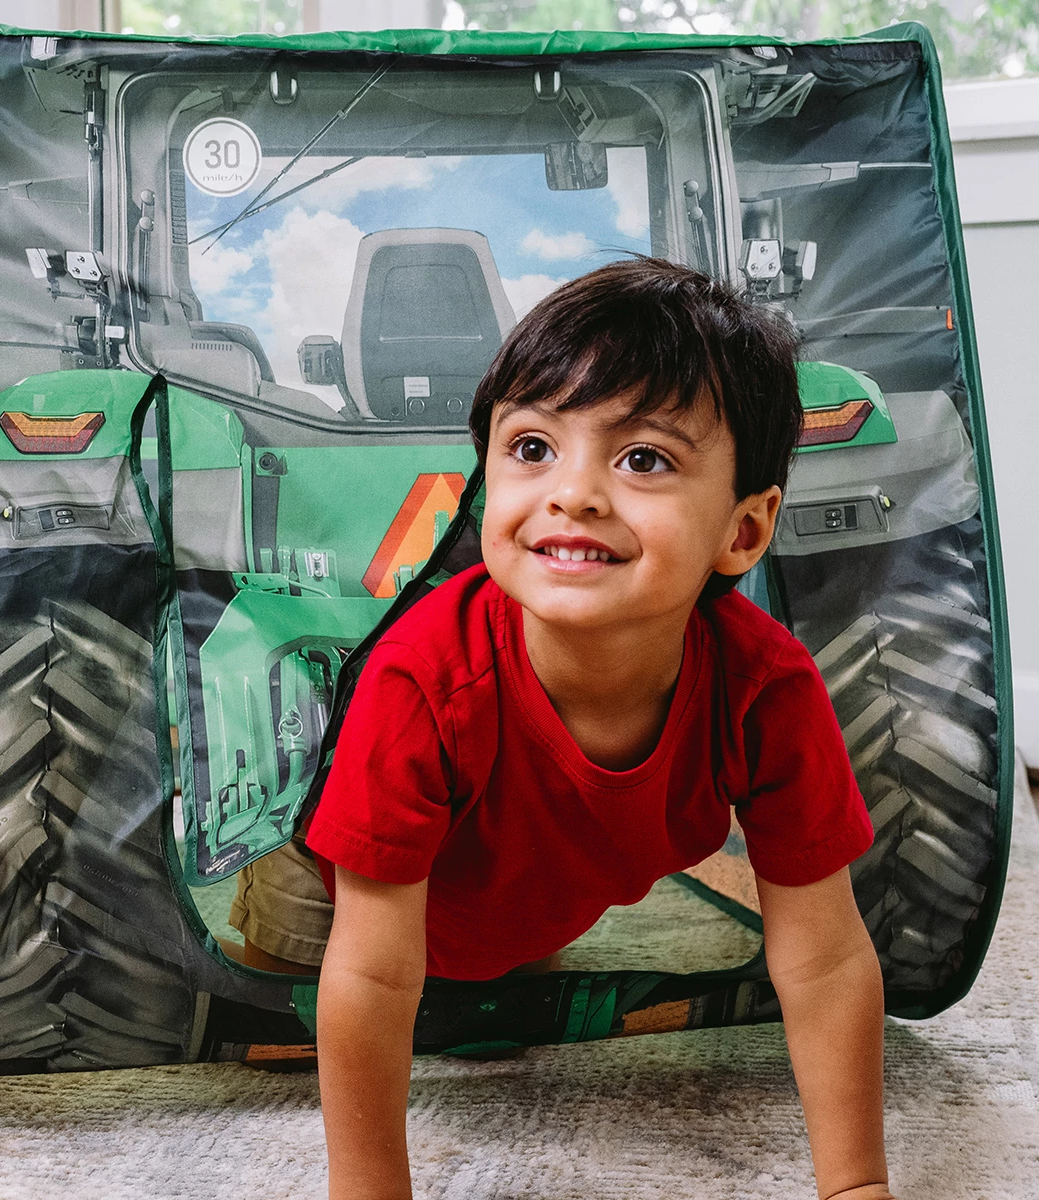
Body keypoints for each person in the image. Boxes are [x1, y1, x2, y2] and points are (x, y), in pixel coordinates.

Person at [231, 256, 893, 1200]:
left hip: (524, 895)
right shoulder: (423, 678)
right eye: (533, 448)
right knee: (276, 1004)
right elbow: (373, 979)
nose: (573, 492)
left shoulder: (767, 692)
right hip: (333, 893)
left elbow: (825, 957)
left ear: (743, 534)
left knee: (500, 976)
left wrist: (856, 1186)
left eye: (644, 459)